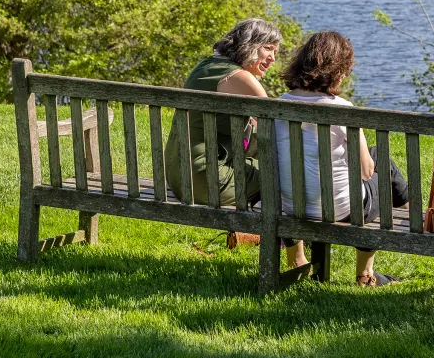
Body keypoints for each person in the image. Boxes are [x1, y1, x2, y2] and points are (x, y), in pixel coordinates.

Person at [274, 31, 409, 287]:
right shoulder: (342, 110)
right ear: (339, 70)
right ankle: (365, 274)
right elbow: (367, 172)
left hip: (290, 204)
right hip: (341, 209)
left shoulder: (279, 105)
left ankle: (297, 260)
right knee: (380, 164)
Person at [165, 18, 282, 207]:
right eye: (268, 48)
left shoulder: (206, 66)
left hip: (178, 173)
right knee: (286, 177)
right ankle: (280, 236)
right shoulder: (241, 78)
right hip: (204, 181)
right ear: (250, 44)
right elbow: (276, 128)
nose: (273, 58)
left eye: (275, 52)